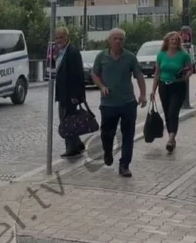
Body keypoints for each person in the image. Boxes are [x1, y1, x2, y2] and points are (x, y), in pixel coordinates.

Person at [92, 28, 147, 177]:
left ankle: (124, 165)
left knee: (128, 135)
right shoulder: (101, 57)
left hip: (128, 103)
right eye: (115, 39)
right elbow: (94, 74)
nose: (118, 41)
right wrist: (101, 86)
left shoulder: (129, 57)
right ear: (109, 40)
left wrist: (143, 95)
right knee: (106, 133)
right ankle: (108, 152)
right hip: (108, 104)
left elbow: (139, 76)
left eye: (120, 39)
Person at [151, 31, 193, 153]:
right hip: (163, 86)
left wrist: (186, 76)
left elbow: (191, 69)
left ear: (179, 42)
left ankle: (170, 138)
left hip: (178, 86)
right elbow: (157, 73)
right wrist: (153, 90)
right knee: (167, 112)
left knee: (172, 112)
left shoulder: (183, 55)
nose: (174, 42)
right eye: (172, 40)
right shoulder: (161, 55)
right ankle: (172, 136)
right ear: (167, 41)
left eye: (176, 40)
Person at [53, 27, 86, 158]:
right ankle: (77, 144)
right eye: (56, 37)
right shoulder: (60, 52)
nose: (58, 40)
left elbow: (78, 75)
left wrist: (75, 96)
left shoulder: (72, 52)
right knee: (68, 120)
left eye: (61, 37)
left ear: (67, 37)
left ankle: (71, 148)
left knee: (66, 121)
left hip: (70, 95)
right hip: (63, 94)